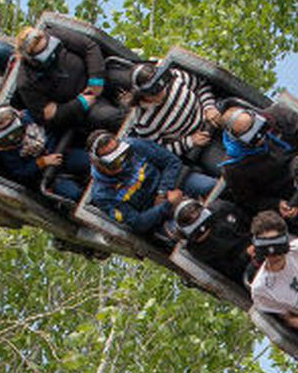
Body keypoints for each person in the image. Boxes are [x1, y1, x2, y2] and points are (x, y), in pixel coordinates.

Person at [87, 131, 216, 235]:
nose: (123, 162)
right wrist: (166, 205)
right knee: (186, 229)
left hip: (173, 185)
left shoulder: (134, 144)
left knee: (210, 186)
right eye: (114, 161)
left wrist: (163, 192)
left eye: (123, 154)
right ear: (98, 163)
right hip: (155, 215)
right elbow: (138, 223)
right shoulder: (102, 195)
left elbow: (172, 162)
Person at [14, 25, 124, 132]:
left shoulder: (55, 33)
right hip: (83, 103)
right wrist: (79, 104)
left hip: (98, 76)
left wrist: (96, 79)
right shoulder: (26, 81)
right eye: (43, 52)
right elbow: (47, 114)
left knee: (131, 78)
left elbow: (89, 47)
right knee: (110, 117)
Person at [123, 63, 224, 174]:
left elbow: (200, 85)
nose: (161, 90)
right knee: (224, 167)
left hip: (212, 118)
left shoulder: (175, 76)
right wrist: (189, 142)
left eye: (161, 82)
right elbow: (160, 151)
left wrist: (209, 107)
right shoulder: (144, 122)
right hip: (200, 145)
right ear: (142, 93)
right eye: (154, 90)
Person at [0, 105, 90, 201]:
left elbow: (52, 126)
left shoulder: (29, 116)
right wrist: (42, 162)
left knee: (88, 161)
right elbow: (19, 172)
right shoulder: (4, 147)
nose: (13, 136)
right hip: (48, 175)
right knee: (74, 194)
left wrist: (55, 148)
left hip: (61, 153)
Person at [171, 198, 250, 283]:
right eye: (189, 218)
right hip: (246, 265)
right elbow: (228, 270)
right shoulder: (197, 249)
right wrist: (246, 255)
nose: (194, 216)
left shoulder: (221, 208)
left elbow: (246, 219)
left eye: (194, 211)